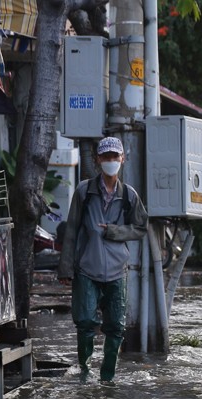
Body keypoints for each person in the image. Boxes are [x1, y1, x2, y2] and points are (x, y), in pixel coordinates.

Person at [58, 136, 149, 383]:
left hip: (118, 271)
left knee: (116, 327)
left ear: (122, 159)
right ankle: (85, 374)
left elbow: (141, 227)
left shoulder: (129, 195)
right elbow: (71, 231)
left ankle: (107, 378)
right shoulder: (84, 191)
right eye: (106, 157)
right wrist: (65, 268)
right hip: (87, 268)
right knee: (85, 322)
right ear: (98, 160)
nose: (110, 161)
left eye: (114, 157)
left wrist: (116, 231)